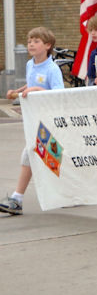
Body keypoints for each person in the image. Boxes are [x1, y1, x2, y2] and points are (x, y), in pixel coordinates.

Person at [0, 27, 64, 215]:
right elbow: (31, 82)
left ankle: (17, 199)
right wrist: (18, 91)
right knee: (53, 157)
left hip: (48, 119)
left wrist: (36, 90)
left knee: (30, 153)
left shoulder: (52, 69)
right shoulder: (30, 65)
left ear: (47, 45)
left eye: (36, 41)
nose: (31, 44)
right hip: (32, 118)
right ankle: (73, 193)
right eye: (29, 41)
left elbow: (59, 93)